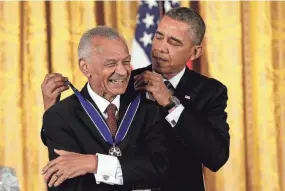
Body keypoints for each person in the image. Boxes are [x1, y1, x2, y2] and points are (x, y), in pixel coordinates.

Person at [42, 7, 230, 191]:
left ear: (195, 52)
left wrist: (171, 103)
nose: (161, 48)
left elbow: (216, 157)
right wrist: (51, 109)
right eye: (158, 36)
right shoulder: (123, 80)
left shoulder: (210, 92)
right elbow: (81, 127)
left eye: (174, 42)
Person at [41, 26, 170, 191]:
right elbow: (67, 186)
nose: (123, 71)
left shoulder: (149, 110)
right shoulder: (59, 116)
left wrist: (94, 164)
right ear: (85, 67)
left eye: (126, 62)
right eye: (111, 64)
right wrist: (132, 172)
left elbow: (160, 172)